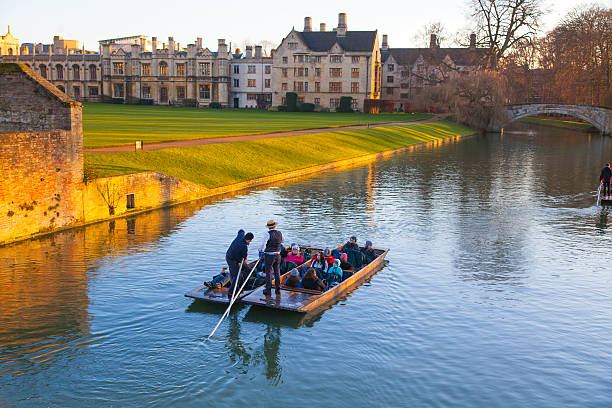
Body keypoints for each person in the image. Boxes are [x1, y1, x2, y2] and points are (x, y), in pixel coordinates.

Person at [225, 230, 254, 299]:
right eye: (250, 241)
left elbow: (241, 231)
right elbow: (244, 259)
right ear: (249, 240)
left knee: (234, 273)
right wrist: (245, 260)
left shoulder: (240, 236)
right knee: (236, 275)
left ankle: (237, 287)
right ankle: (231, 292)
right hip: (233, 260)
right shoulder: (244, 247)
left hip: (228, 256)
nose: (249, 243)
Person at [259, 220, 284, 297]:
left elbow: (263, 244)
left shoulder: (267, 234)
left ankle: (268, 289)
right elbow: (283, 241)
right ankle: (278, 288)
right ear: (275, 226)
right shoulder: (280, 233)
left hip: (269, 255)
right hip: (278, 255)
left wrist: (260, 250)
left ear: (269, 227)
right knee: (277, 272)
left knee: (268, 272)